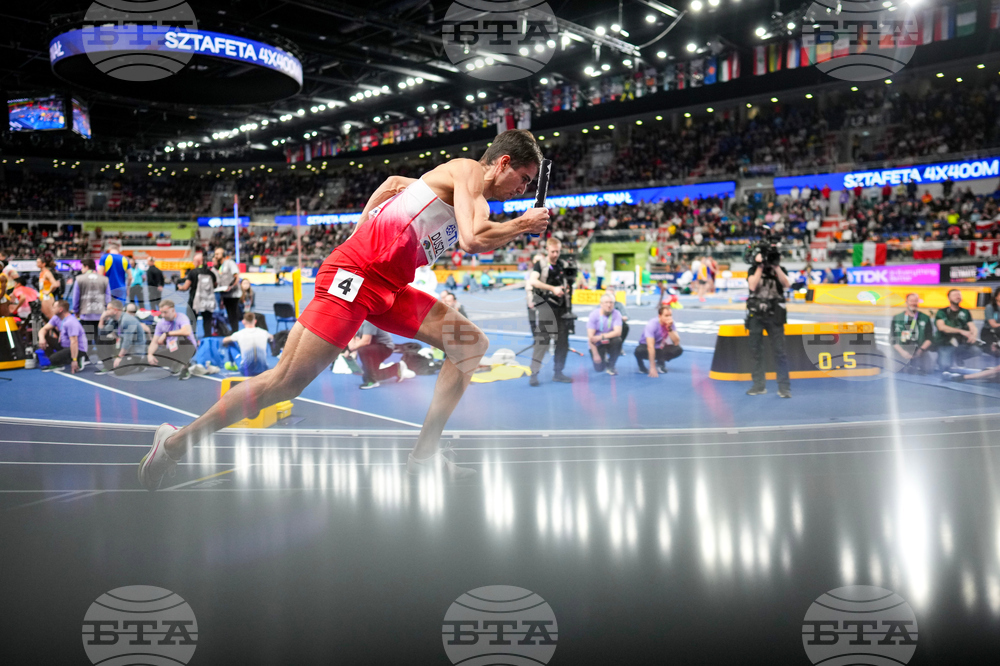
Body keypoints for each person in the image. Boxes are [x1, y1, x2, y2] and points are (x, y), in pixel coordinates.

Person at [138, 128, 550, 489]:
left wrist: (362, 227)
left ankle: (424, 457)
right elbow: (474, 238)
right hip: (354, 278)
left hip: (389, 289)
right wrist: (523, 224)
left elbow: (391, 183)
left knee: (469, 345)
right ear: (504, 162)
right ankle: (173, 444)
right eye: (524, 179)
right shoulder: (468, 171)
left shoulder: (468, 193)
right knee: (284, 382)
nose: (524, 189)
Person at [746, 248, 792, 397]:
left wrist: (776, 266)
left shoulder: (780, 269)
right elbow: (752, 286)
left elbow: (787, 284)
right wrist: (759, 266)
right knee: (755, 351)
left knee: (780, 351)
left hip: (775, 315)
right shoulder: (753, 269)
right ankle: (759, 385)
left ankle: (784, 387)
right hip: (756, 315)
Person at [528, 237, 573, 386]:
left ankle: (558, 372)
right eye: (553, 251)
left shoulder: (562, 265)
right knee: (542, 342)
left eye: (558, 251)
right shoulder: (540, 264)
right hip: (547, 308)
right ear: (547, 250)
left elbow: (569, 282)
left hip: (562, 309)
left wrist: (565, 289)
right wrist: (552, 289)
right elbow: (533, 281)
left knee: (563, 342)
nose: (556, 254)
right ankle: (534, 373)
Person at [345, 321, 414, 389]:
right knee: (372, 374)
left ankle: (371, 381)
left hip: (385, 347)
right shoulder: (356, 323)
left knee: (363, 350)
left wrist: (350, 349)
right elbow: (352, 344)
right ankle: (396, 368)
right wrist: (350, 348)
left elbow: (366, 341)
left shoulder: (368, 322)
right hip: (373, 349)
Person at [147, 299, 197, 380]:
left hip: (189, 348)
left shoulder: (182, 317)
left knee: (181, 339)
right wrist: (150, 354)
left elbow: (187, 331)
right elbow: (154, 342)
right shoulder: (161, 323)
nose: (163, 315)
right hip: (173, 349)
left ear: (173, 310)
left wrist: (166, 334)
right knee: (153, 358)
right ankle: (175, 363)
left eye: (165, 312)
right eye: (161, 312)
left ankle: (185, 367)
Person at [96, 299, 149, 375]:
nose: (106, 312)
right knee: (100, 339)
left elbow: (127, 342)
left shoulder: (127, 320)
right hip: (125, 349)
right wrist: (102, 319)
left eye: (108, 309)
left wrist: (119, 357)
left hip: (134, 352)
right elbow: (102, 333)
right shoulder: (114, 319)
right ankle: (110, 365)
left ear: (115, 310)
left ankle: (142, 362)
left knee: (118, 371)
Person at [37, 299, 89, 373]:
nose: (52, 309)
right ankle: (60, 360)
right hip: (64, 344)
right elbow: (43, 329)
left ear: (60, 309)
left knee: (53, 359)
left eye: (54, 307)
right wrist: (41, 338)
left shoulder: (71, 322)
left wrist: (74, 360)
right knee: (44, 336)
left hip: (78, 348)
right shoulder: (56, 318)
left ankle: (78, 357)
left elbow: (74, 342)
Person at [934, 288, 979, 371]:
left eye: (959, 295)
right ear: (949, 298)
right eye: (954, 295)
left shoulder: (965, 312)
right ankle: (941, 356)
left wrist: (974, 335)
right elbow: (942, 327)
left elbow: (972, 326)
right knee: (944, 366)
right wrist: (962, 331)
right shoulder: (942, 312)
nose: (957, 297)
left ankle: (959, 356)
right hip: (945, 342)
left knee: (976, 350)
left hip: (961, 343)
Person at [70, 258, 111, 349]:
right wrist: (108, 312)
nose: (81, 269)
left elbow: (76, 297)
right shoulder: (104, 279)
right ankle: (103, 358)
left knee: (86, 338)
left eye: (82, 267)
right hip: (101, 314)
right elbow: (108, 298)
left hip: (85, 313)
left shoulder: (79, 279)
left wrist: (76, 310)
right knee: (100, 337)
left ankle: (86, 358)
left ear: (87, 267)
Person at [889, 293, 934, 373]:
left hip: (919, 349)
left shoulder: (925, 318)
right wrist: (902, 352)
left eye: (915, 301)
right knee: (895, 370)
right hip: (901, 349)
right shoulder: (897, 317)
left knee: (927, 370)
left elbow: (929, 338)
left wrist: (921, 350)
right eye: (911, 301)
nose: (913, 303)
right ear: (906, 302)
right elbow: (892, 339)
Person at [634, 304, 682, 376]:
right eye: (666, 316)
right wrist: (652, 367)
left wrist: (669, 328)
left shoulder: (671, 323)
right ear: (660, 316)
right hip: (647, 346)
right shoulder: (652, 324)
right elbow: (650, 346)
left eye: (670, 315)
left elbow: (676, 342)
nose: (669, 318)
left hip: (660, 347)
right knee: (638, 351)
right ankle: (641, 366)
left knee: (678, 349)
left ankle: (660, 362)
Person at [176, 252, 216, 338]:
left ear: (198, 262)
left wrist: (179, 287)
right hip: (207, 299)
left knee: (192, 319)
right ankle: (207, 338)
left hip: (194, 299)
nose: (193, 263)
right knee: (207, 320)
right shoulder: (210, 273)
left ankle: (192, 338)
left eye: (194, 261)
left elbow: (185, 287)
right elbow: (215, 285)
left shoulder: (192, 272)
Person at [222, 312, 273, 377]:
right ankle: (263, 361)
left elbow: (224, 340)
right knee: (267, 341)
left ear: (243, 322)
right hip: (263, 369)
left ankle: (232, 364)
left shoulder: (239, 334)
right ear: (255, 321)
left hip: (246, 370)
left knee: (231, 343)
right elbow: (272, 337)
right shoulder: (263, 332)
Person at [587, 293, 623, 375]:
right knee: (599, 369)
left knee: (618, 340)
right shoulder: (594, 315)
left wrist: (601, 337)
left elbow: (618, 332)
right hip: (597, 344)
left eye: (611, 303)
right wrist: (595, 354)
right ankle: (603, 357)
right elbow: (590, 337)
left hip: (608, 340)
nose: (609, 305)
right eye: (606, 302)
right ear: (601, 304)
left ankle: (611, 365)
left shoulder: (617, 313)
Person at [214, 247, 243, 334]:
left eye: (217, 254)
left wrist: (231, 286)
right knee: (229, 315)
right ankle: (233, 331)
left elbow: (236, 277)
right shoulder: (219, 266)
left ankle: (235, 332)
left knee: (233, 315)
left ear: (223, 255)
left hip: (233, 294)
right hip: (225, 295)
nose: (215, 256)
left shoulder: (230, 263)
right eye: (215, 254)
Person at [36, 252, 59, 320]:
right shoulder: (41, 273)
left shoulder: (47, 273)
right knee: (45, 319)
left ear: (43, 264)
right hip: (42, 298)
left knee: (50, 318)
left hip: (47, 298)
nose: (36, 264)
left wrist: (48, 291)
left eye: (38, 262)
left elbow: (55, 284)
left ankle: (57, 331)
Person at [981, 287, 1000, 356]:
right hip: (989, 332)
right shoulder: (990, 307)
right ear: (996, 297)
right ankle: (984, 347)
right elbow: (993, 324)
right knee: (996, 352)